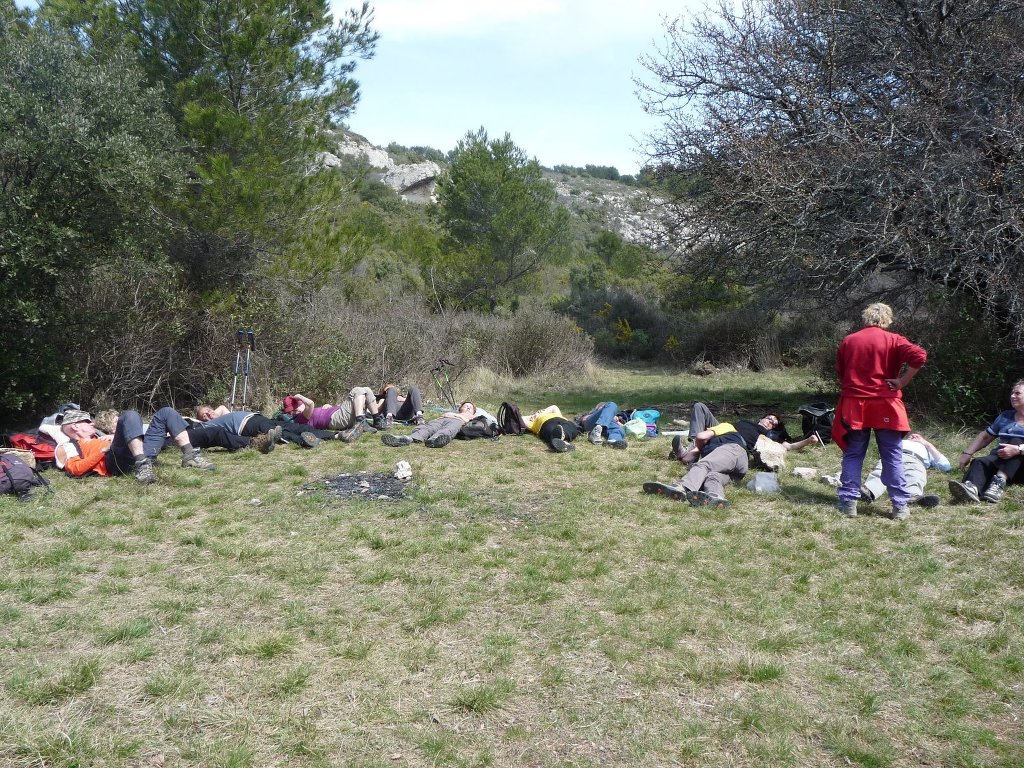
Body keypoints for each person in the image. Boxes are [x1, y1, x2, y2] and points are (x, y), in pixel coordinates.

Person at [833, 302, 927, 521]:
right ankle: (900, 506)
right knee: (892, 454)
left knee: (854, 452)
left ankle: (849, 502)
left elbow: (841, 371)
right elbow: (919, 356)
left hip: (855, 404)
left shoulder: (849, 341)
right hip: (886, 403)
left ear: (866, 318)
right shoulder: (894, 340)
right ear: (887, 319)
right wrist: (902, 381)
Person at [55, 408, 214, 484]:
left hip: (137, 452)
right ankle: (142, 465)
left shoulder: (98, 435)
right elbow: (76, 469)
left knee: (165, 412)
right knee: (130, 414)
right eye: (87, 422)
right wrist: (104, 450)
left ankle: (190, 456)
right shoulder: (67, 445)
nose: (92, 423)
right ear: (75, 426)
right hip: (115, 461)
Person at [949, 380, 1024, 504]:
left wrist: (1018, 449)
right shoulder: (1005, 416)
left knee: (1015, 441)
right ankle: (971, 490)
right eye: (1012, 393)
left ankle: (998, 484)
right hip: (1002, 461)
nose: (1012, 396)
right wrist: (968, 453)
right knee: (980, 461)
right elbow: (985, 437)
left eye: (1017, 393)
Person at [643, 421, 747, 508]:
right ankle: (716, 498)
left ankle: (682, 487)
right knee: (712, 477)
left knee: (704, 464)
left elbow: (701, 436)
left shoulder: (727, 426)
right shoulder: (708, 446)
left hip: (733, 450)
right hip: (736, 470)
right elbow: (687, 458)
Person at [668, 402, 819, 461]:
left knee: (712, 436)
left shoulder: (767, 435)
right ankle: (693, 443)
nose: (770, 421)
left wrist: (808, 441)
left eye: (773, 423)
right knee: (700, 406)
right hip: (725, 428)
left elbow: (789, 446)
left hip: (734, 439)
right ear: (763, 417)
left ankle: (689, 452)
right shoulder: (747, 421)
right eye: (769, 418)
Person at [94, 409, 270, 454]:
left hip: (169, 434)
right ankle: (253, 443)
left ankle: (254, 442)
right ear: (110, 425)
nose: (122, 421)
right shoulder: (115, 437)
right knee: (214, 433)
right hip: (165, 440)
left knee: (214, 432)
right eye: (116, 421)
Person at [860, 433, 949, 508]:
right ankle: (869, 491)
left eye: (918, 436)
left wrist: (926, 443)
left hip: (915, 460)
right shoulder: (899, 441)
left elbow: (946, 466)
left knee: (915, 476)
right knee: (881, 472)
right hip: (893, 455)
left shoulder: (927, 449)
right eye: (911, 435)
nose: (914, 436)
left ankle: (913, 497)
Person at [195, 405, 330, 447]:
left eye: (208, 410)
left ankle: (335, 435)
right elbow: (188, 419)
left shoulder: (223, 413)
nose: (207, 414)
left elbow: (222, 407)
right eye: (204, 416)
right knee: (282, 434)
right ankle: (306, 442)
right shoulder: (208, 426)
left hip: (258, 417)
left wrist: (211, 412)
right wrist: (205, 419)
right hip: (247, 427)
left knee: (296, 427)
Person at [282, 388, 382, 441]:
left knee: (367, 390)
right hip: (336, 419)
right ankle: (361, 422)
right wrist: (300, 396)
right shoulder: (300, 418)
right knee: (357, 390)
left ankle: (377, 420)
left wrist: (330, 406)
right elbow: (311, 403)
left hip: (339, 415)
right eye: (293, 411)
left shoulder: (307, 413)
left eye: (296, 407)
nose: (296, 410)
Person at [380, 402, 478, 448]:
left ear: (474, 411)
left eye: (470, 407)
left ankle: (435, 440)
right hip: (442, 419)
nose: (468, 408)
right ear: (460, 408)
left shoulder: (474, 416)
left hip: (458, 421)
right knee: (429, 428)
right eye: (466, 406)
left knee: (448, 429)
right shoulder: (451, 412)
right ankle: (407, 439)